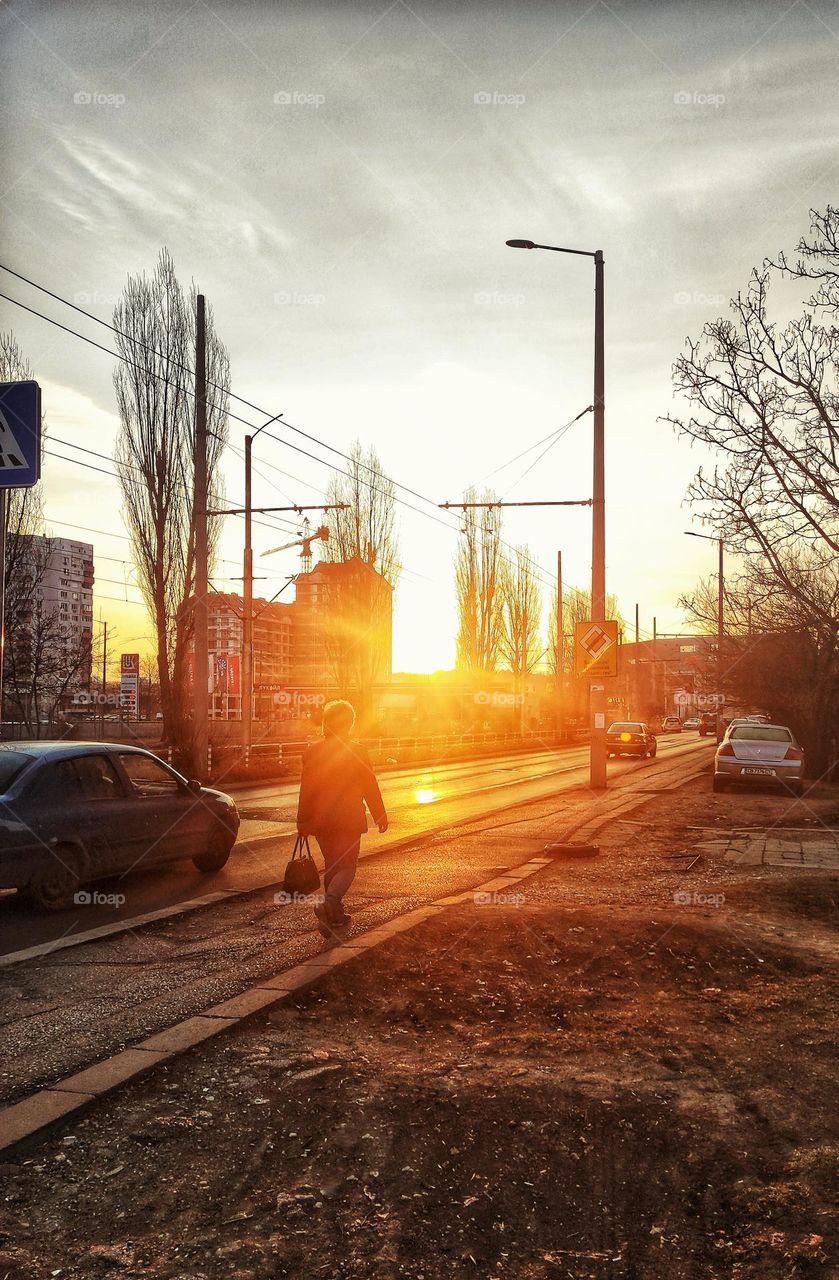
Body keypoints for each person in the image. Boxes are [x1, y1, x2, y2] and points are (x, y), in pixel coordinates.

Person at [296, 699, 388, 929]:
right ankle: (330, 902)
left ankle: (334, 918)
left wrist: (303, 822)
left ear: (327, 723)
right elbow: (369, 785)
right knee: (347, 867)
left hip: (320, 820)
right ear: (349, 724)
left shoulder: (313, 751)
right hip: (348, 819)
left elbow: (306, 789)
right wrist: (379, 814)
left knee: (332, 866)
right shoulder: (357, 751)